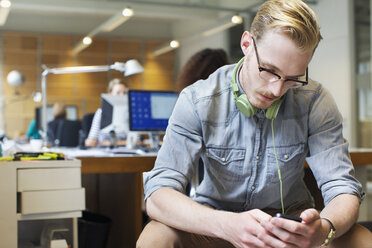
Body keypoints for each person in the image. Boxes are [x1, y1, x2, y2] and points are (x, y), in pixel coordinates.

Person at [137, 0, 372, 247]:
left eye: (293, 78)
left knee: (364, 241)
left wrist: (325, 228)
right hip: (217, 224)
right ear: (247, 44)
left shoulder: (315, 100)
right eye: (269, 70)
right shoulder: (197, 100)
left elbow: (342, 187)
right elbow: (157, 196)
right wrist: (225, 224)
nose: (277, 90)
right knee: (155, 238)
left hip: (289, 227)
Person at [85, 78, 128, 147]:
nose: (122, 96)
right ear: (110, 93)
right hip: (104, 153)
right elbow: (91, 141)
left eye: (124, 93)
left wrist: (109, 143)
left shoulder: (130, 114)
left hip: (127, 154)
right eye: (118, 93)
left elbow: (137, 142)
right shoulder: (101, 112)